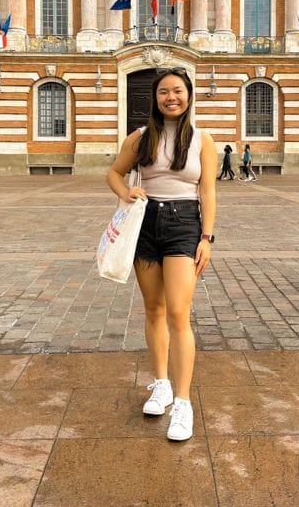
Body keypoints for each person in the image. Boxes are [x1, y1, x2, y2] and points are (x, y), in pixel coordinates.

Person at [106, 68, 216, 442]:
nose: (172, 97)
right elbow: (114, 174)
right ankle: (161, 384)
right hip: (146, 223)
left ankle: (183, 403)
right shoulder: (139, 137)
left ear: (189, 95)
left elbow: (208, 192)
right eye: (164, 92)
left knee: (178, 313)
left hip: (185, 223)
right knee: (153, 308)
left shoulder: (203, 140)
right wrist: (126, 192)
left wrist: (207, 237)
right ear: (155, 99)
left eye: (178, 91)